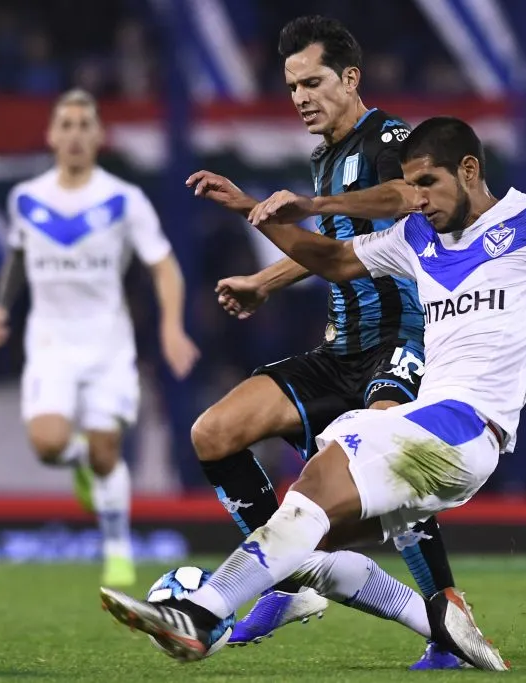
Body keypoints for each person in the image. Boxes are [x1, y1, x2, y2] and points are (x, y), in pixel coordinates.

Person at [101, 116, 526, 669]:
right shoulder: (416, 237)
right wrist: (256, 211)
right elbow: (334, 260)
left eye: (427, 183)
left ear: (469, 171)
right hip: (439, 434)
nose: (417, 199)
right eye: (411, 185)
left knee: (316, 484)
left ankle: (200, 615)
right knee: (310, 546)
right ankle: (441, 621)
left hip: (467, 424)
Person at [185, 16, 463, 668]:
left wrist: (307, 209)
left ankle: (449, 621)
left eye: (312, 82)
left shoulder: (391, 138)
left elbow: (408, 195)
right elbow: (338, 252)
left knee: (395, 463)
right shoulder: (325, 158)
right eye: (292, 87)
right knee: (213, 432)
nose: (301, 97)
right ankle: (288, 582)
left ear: (351, 78)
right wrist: (264, 281)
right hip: (339, 351)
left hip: (400, 340)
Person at [0, 89, 199, 587]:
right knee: (47, 445)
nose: (76, 135)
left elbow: (163, 265)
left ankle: (117, 549)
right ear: (51, 135)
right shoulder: (26, 198)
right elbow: (17, 254)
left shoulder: (124, 199)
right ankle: (75, 458)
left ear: (99, 136)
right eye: (67, 125)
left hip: (107, 344)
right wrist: (0, 308)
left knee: (108, 452)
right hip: (50, 342)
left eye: (85, 125)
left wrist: (171, 326)